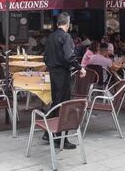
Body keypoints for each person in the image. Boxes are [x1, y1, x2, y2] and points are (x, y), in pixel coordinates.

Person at [44, 12, 86, 150]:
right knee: (65, 105)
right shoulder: (66, 36)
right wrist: (80, 68)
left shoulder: (51, 37)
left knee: (56, 102)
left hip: (53, 73)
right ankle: (62, 138)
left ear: (57, 24)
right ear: (68, 24)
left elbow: (46, 57)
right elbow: (69, 56)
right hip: (62, 73)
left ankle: (47, 132)